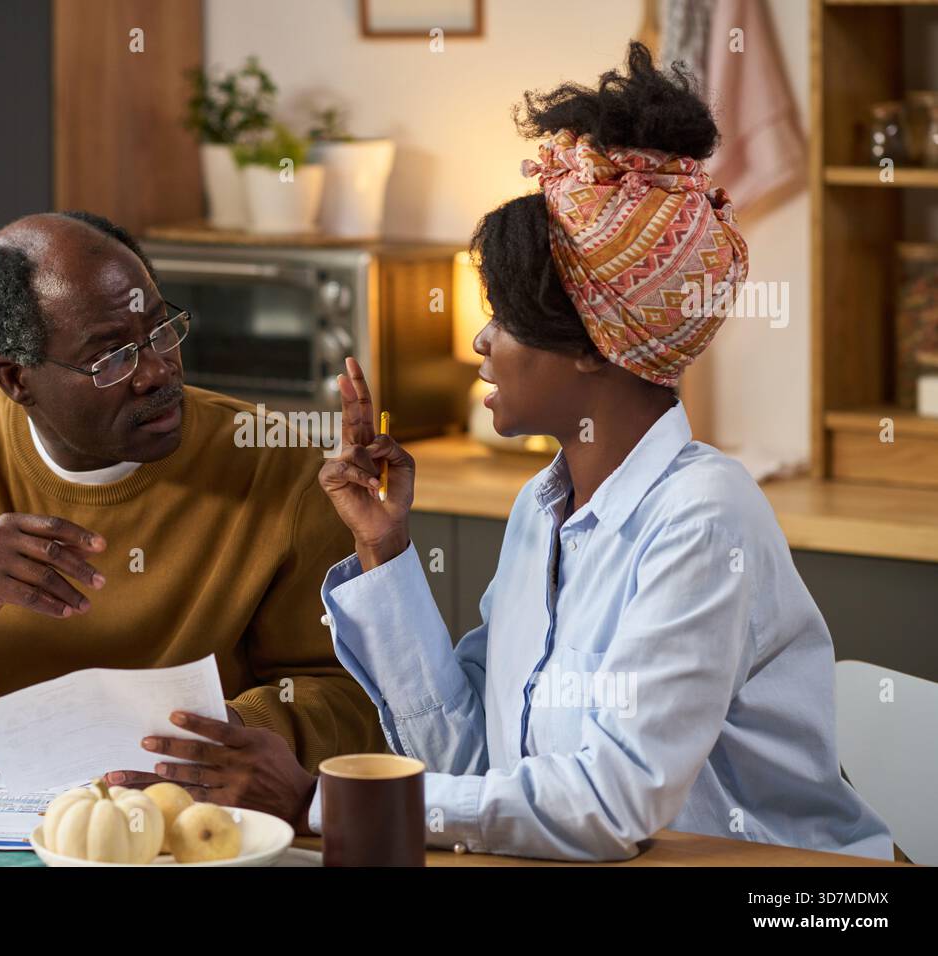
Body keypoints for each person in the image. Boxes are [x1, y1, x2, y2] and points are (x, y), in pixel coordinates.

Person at [144, 43, 894, 860]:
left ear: (590, 346)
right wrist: (384, 548)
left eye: (501, 317)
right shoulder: (546, 507)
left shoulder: (704, 520)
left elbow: (608, 806)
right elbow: (475, 763)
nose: (479, 339)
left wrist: (322, 797)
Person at [0, 210, 383, 786]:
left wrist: (241, 730)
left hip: (176, 812)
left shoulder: (276, 465)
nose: (157, 372)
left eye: (161, 330)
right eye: (111, 357)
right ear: (16, 379)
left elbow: (353, 696)